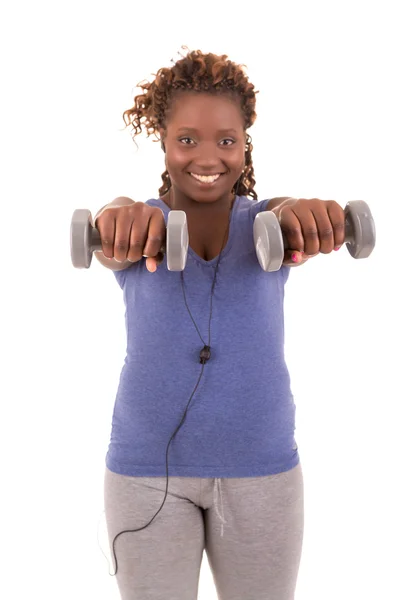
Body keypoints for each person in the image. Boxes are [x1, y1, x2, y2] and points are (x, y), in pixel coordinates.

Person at [93, 48, 346, 600]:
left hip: (262, 472)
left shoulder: (271, 227)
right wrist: (115, 214)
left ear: (245, 140)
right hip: (146, 475)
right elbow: (110, 239)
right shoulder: (139, 230)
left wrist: (306, 212)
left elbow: (286, 212)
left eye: (226, 140)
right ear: (163, 139)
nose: (208, 156)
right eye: (188, 139)